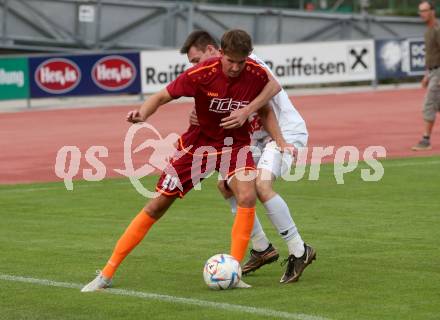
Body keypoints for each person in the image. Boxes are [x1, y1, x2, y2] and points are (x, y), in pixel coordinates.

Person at [81, 29, 283, 292]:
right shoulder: (202, 72)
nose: (235, 67)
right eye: (230, 61)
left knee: (247, 196)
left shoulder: (254, 71)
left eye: (240, 62)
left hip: (235, 146)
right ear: (220, 53)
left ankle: (233, 270)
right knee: (157, 206)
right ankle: (106, 273)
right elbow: (162, 96)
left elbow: (271, 91)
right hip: (197, 146)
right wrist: (143, 113)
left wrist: (252, 114)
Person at [180, 30, 316, 284]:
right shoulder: (219, 75)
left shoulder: (248, 63)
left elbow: (270, 92)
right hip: (255, 139)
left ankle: (299, 250)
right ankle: (262, 248)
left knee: (262, 185)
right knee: (226, 186)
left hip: (283, 132)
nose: (195, 67)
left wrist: (254, 116)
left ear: (212, 50)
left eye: (196, 60)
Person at [413, 0, 440, 151]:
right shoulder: (428, 31)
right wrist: (426, 75)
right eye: (420, 11)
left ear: (432, 11)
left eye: (424, 10)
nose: (421, 14)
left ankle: (425, 140)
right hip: (434, 72)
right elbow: (432, 55)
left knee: (429, 105)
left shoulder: (437, 29)